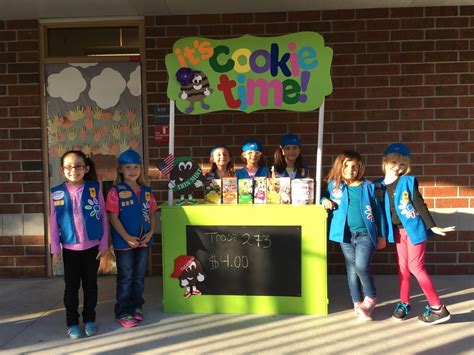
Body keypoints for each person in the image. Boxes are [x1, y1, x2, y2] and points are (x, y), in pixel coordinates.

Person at [378, 143, 455, 325]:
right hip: (397, 233)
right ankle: (404, 303)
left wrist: (432, 226)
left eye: (403, 164)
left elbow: (419, 204)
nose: (398, 167)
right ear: (384, 161)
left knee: (416, 267)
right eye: (394, 162)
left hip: (414, 230)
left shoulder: (408, 182)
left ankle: (438, 308)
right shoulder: (377, 186)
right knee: (403, 269)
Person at [50, 150, 109, 339]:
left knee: (91, 286)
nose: (73, 170)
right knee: (71, 287)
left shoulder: (94, 188)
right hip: (70, 249)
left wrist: (103, 244)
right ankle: (72, 322)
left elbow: (103, 218)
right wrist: (55, 248)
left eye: (78, 166)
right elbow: (53, 221)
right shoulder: (56, 192)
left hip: (92, 248)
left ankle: (90, 319)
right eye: (68, 166)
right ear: (62, 169)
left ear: (86, 168)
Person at [321, 150, 386, 321]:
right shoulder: (334, 186)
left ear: (360, 169)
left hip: (366, 234)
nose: (350, 170)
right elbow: (321, 196)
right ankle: (357, 302)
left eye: (355, 167)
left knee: (361, 267)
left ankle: (370, 298)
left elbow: (379, 213)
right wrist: (323, 200)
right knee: (351, 269)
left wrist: (382, 235)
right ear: (339, 167)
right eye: (346, 166)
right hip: (346, 235)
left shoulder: (368, 187)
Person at [106, 149, 157, 328]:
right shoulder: (115, 192)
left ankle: (137, 306)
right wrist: (126, 237)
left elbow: (151, 214)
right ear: (120, 169)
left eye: (136, 167)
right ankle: (123, 311)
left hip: (144, 241)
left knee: (139, 276)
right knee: (126, 277)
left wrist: (151, 233)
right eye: (128, 167)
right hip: (124, 242)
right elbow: (113, 217)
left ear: (141, 169)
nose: (133, 171)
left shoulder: (147, 191)